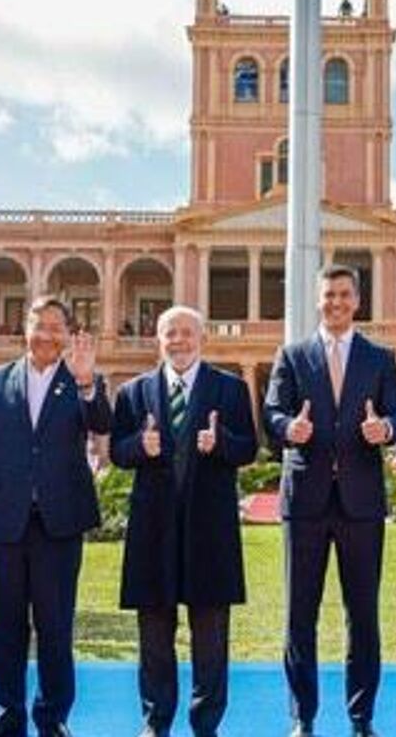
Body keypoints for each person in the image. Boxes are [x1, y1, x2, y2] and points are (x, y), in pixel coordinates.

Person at [264, 264, 396, 737]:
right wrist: (290, 428)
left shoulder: (380, 358)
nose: (336, 303)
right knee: (298, 616)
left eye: (344, 295)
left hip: (361, 504)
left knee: (362, 616)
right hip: (304, 501)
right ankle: (302, 717)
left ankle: (361, 717)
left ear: (357, 300)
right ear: (318, 300)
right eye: (328, 295)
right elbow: (272, 412)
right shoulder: (293, 355)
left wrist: (382, 429)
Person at [109, 305, 260, 737]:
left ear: (201, 339)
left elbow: (249, 448)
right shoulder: (134, 393)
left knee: (210, 636)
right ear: (159, 339)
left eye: (186, 333)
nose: (178, 341)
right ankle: (156, 721)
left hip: (209, 531)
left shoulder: (229, 390)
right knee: (154, 634)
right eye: (169, 333)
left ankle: (206, 723)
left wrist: (221, 443)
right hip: (152, 531)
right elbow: (119, 451)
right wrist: (140, 444)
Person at [0, 297, 110, 737]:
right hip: (5, 519)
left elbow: (103, 423)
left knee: (54, 623)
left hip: (59, 522)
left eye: (55, 327)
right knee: (5, 623)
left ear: (67, 333)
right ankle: (9, 712)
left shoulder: (82, 380)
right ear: (23, 328)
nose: (46, 334)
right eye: (38, 325)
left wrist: (87, 385)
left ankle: (52, 716)